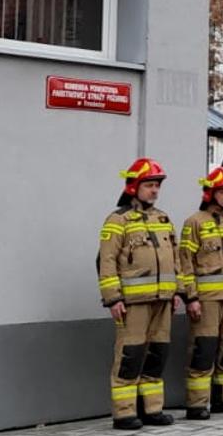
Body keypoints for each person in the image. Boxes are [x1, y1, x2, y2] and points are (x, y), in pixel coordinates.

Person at [96, 158, 183, 430]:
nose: (155, 190)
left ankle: (152, 410)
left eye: (157, 185)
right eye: (149, 185)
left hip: (163, 301)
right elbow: (106, 262)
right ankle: (124, 413)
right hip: (133, 303)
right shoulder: (118, 220)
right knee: (130, 357)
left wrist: (177, 291)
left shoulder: (163, 219)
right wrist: (113, 298)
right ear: (134, 187)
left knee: (157, 355)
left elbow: (176, 259)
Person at [178, 166, 223, 419]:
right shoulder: (195, 223)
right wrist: (191, 297)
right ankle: (197, 404)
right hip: (207, 300)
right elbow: (185, 263)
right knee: (204, 349)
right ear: (210, 193)